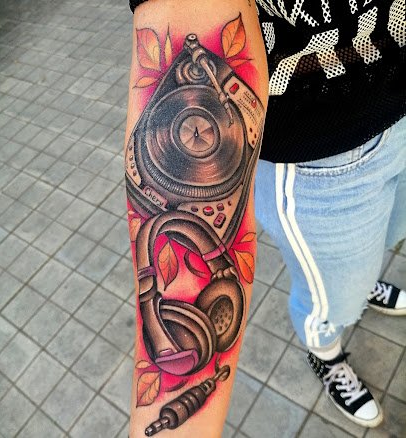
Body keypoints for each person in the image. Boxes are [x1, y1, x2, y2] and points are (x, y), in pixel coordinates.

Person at [125, 0, 405, 436]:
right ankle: (325, 352)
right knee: (332, 300)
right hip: (324, 159)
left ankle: (363, 283)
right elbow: (186, 14)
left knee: (383, 240)